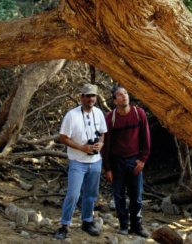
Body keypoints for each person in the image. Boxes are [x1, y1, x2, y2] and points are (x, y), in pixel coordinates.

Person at [54, 84, 107, 240]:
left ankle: (87, 222)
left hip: (95, 161)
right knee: (73, 194)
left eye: (93, 96)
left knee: (90, 194)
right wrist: (81, 147)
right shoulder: (72, 115)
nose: (91, 99)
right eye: (88, 96)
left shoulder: (99, 113)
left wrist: (101, 144)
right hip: (78, 161)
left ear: (96, 98)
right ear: (81, 97)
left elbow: (103, 133)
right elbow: (63, 137)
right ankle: (64, 225)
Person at [101, 86, 150, 237]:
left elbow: (146, 139)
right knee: (119, 195)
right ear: (115, 101)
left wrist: (142, 160)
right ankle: (123, 224)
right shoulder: (110, 118)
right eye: (120, 95)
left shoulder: (138, 113)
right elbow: (106, 145)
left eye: (126, 94)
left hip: (134, 160)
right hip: (117, 162)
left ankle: (137, 225)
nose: (124, 96)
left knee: (136, 196)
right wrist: (107, 169)